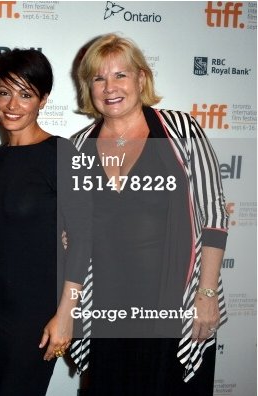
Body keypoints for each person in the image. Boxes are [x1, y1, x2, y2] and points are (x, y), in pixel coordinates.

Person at [69, 33, 228, 395]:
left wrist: (206, 292)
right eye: (98, 78)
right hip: (108, 309)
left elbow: (214, 215)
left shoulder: (181, 130)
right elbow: (74, 229)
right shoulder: (79, 145)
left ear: (141, 78)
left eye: (120, 75)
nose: (109, 87)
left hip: (174, 300)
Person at [0, 49, 92, 395]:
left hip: (40, 311)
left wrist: (66, 313)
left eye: (25, 94)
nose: (12, 104)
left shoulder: (61, 153)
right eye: (4, 91)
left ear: (43, 100)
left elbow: (84, 238)